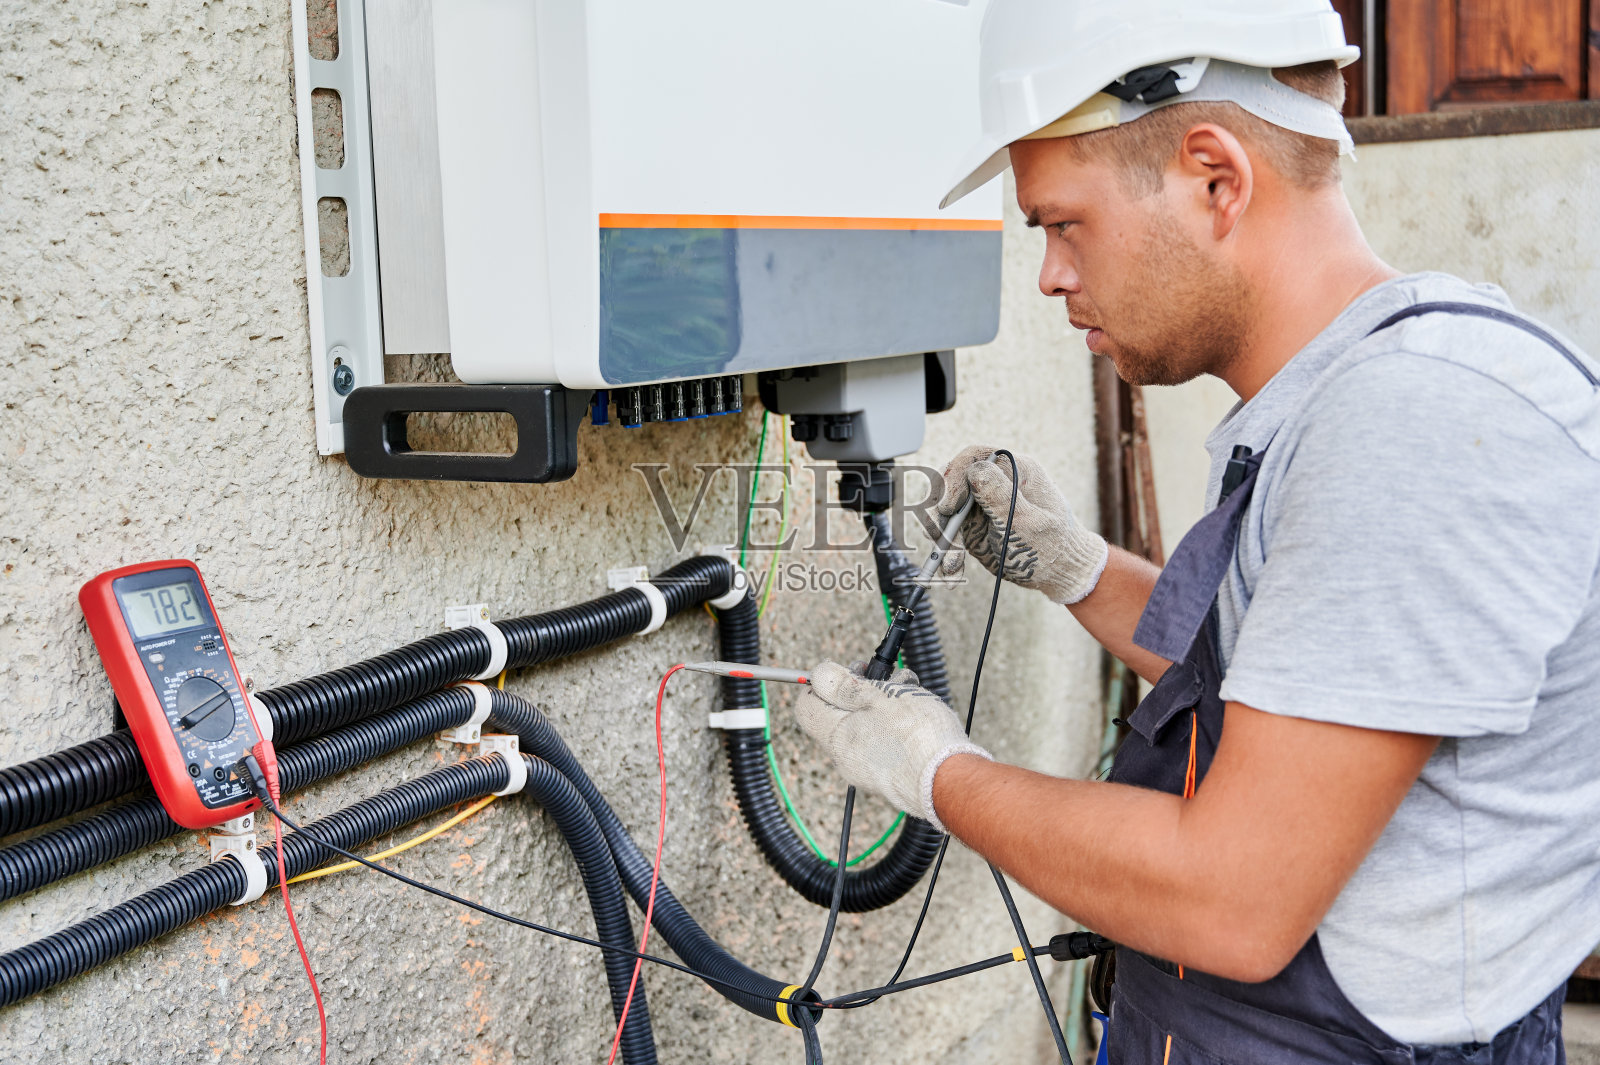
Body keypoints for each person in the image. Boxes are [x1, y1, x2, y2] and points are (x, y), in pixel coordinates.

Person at [791, 2, 1600, 1062]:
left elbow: (1231, 900)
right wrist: (1079, 570)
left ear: (1215, 178)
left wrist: (935, 772)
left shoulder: (1414, 426)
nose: (1049, 275)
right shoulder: (1335, 394)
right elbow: (1292, 682)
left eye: (1063, 223)